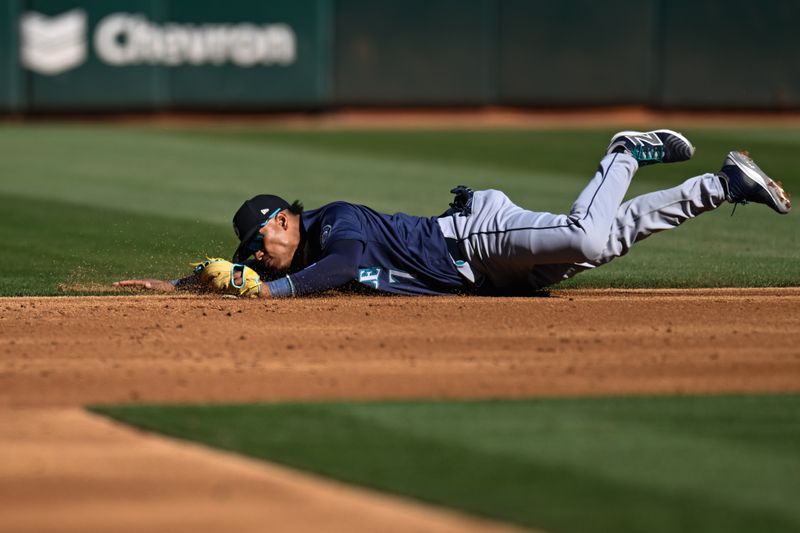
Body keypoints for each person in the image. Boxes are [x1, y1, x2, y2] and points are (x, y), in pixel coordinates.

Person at [115, 129, 791, 297]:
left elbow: (346, 262)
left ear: (292, 220)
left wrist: (272, 292)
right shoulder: (272, 256)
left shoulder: (332, 224)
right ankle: (723, 185)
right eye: (261, 245)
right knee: (610, 239)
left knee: (586, 235)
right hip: (493, 278)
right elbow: (236, 268)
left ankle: (621, 154)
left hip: (477, 237)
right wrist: (179, 286)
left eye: (274, 228)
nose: (268, 246)